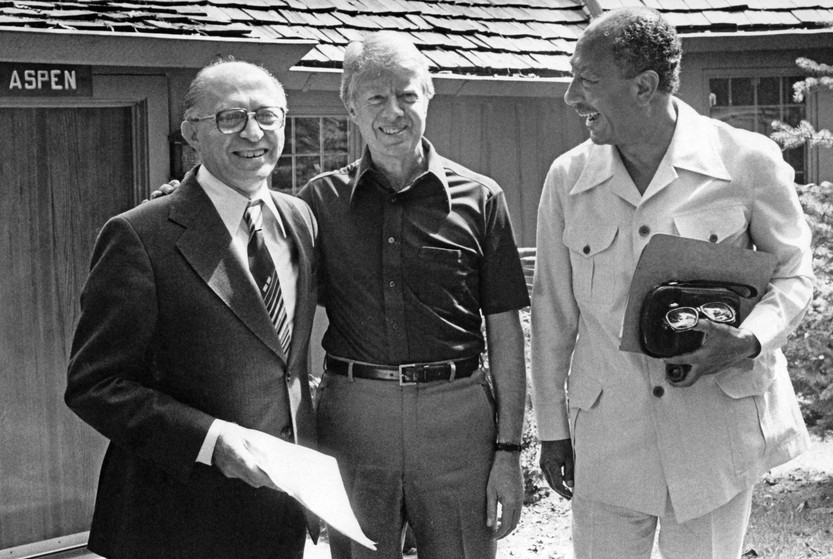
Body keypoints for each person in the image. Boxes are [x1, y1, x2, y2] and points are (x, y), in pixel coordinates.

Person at [530, 7, 814, 559]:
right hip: (609, 436)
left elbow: (794, 275)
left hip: (713, 438)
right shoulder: (568, 178)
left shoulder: (746, 162)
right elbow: (552, 314)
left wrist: (749, 340)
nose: (571, 97)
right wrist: (552, 429)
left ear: (644, 86)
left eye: (587, 81)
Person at [65, 59, 319, 559]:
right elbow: (95, 385)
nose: (254, 131)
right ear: (191, 134)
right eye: (230, 118)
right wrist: (210, 440)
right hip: (176, 521)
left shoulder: (299, 219)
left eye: (268, 115)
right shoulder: (140, 235)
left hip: (280, 512)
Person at [298, 32, 530, 559]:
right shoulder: (318, 202)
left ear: (429, 94)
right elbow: (283, 321)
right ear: (351, 107)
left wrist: (509, 451)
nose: (394, 112)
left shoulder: (482, 198)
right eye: (376, 98)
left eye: (407, 94)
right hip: (356, 420)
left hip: (458, 418)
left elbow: (505, 333)